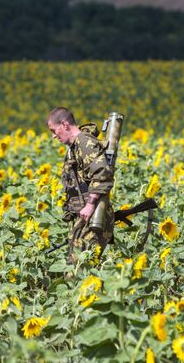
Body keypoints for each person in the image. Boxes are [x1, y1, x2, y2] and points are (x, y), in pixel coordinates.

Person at [47, 107, 114, 264]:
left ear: (64, 124)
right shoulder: (75, 146)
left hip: (94, 215)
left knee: (81, 269)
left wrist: (90, 204)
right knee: (78, 267)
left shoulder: (85, 142)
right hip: (84, 217)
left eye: (53, 130)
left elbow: (102, 174)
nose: (53, 136)